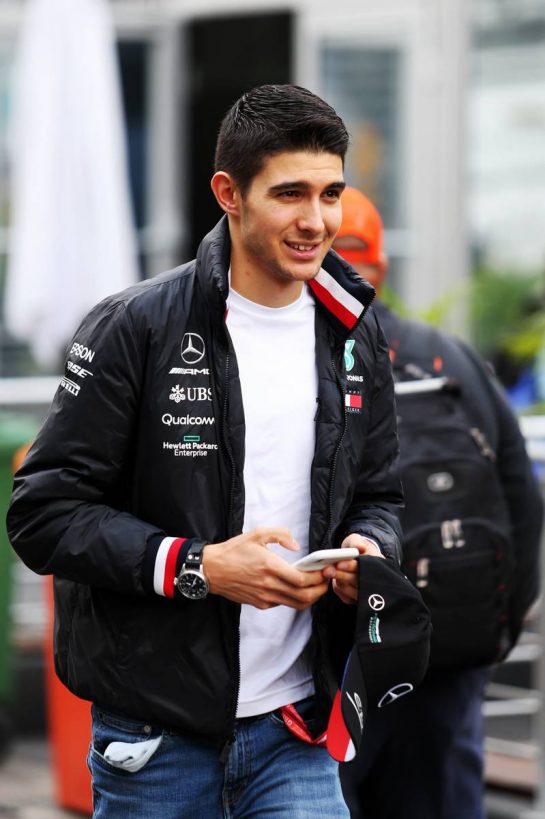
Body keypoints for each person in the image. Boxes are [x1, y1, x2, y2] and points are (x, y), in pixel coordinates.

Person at [7, 86, 404, 818]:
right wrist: (199, 566)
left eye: (329, 194)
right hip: (156, 738)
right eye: (289, 193)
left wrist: (365, 548)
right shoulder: (136, 325)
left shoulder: (353, 330)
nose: (315, 221)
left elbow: (380, 493)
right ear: (229, 193)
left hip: (298, 730)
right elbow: (42, 513)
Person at [334, 187, 543, 819]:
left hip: (341, 661)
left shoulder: (304, 362)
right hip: (450, 649)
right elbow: (522, 501)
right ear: (382, 268)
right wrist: (493, 633)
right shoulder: (450, 358)